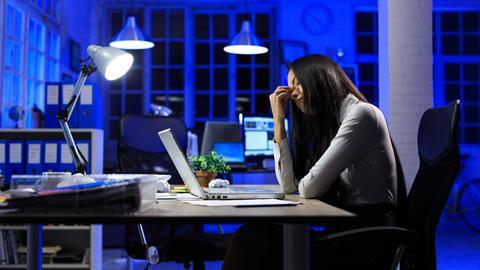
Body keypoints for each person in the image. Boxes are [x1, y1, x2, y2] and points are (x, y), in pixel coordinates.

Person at [221, 54, 407, 270]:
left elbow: (307, 188)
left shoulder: (361, 114)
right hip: (345, 230)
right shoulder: (334, 121)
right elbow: (290, 187)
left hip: (367, 240)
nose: (292, 93)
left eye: (298, 83)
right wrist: (279, 121)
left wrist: (303, 185)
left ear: (320, 79)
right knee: (255, 237)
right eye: (290, 86)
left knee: (253, 239)